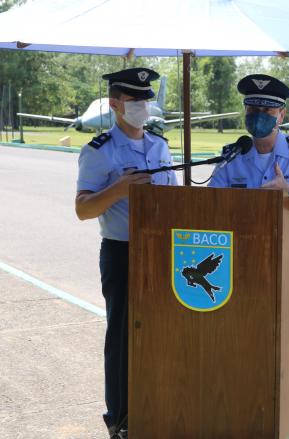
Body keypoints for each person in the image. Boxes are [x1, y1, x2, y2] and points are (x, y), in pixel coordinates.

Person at [75, 67, 178, 439]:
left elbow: (175, 197)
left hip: (164, 251)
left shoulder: (160, 145)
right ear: (116, 104)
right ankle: (120, 419)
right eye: (135, 100)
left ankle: (159, 405)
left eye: (146, 98)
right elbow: (83, 209)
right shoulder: (99, 151)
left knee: (164, 333)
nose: (142, 105)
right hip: (122, 252)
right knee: (122, 338)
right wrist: (118, 189)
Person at [209, 74, 289, 199]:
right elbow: (211, 201)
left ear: (281, 115)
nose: (259, 116)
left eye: (267, 110)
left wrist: (288, 189)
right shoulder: (231, 156)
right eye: (252, 109)